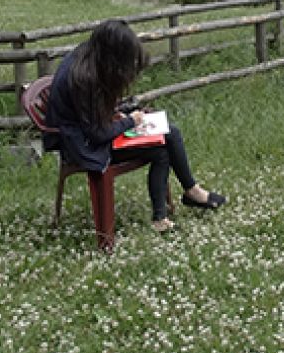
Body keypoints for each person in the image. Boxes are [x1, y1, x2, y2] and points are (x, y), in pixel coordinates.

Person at [46, 19, 226, 233]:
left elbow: (94, 112)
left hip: (88, 132)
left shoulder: (89, 56)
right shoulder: (84, 79)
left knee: (169, 131)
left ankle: (188, 193)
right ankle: (173, 208)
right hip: (83, 146)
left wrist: (118, 113)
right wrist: (130, 121)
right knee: (161, 148)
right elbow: (96, 134)